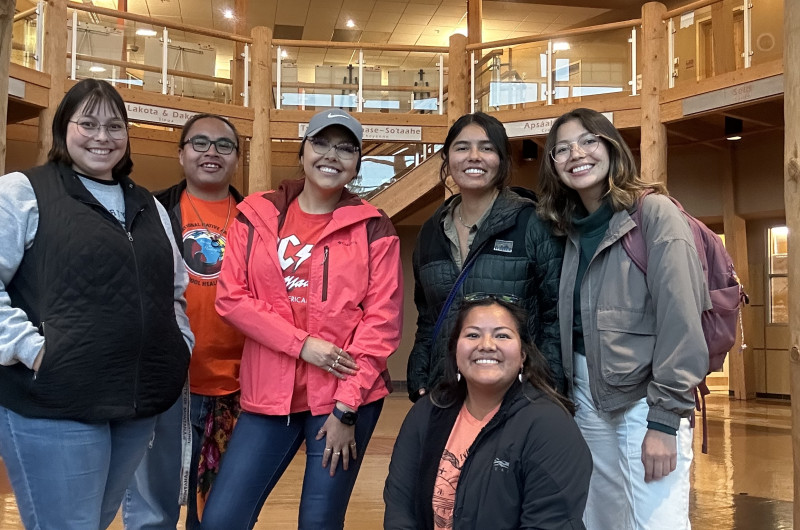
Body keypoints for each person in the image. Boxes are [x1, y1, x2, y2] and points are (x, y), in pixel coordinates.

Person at [0, 78, 193, 529]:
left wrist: (178, 345)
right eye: (88, 123)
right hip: (54, 399)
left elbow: (174, 289)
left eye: (114, 126)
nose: (102, 136)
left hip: (137, 402)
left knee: (94, 522)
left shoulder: (148, 205)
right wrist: (35, 351)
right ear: (63, 128)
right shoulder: (23, 192)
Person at [199, 108, 404, 529]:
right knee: (221, 519)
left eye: (345, 148)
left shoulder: (374, 227)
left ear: (357, 164)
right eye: (321, 143)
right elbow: (232, 299)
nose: (331, 155)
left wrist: (347, 409)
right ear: (303, 151)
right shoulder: (255, 214)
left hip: (343, 398)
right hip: (267, 393)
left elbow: (381, 323)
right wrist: (302, 345)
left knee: (319, 521)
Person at [536, 108, 710, 529]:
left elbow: (682, 320)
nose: (577, 154)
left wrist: (665, 419)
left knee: (657, 523)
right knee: (600, 521)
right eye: (562, 149)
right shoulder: (570, 228)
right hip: (586, 399)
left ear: (611, 147)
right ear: (554, 165)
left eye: (588, 141)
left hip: (645, 399)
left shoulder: (654, 213)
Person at [123, 113, 246, 529]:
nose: (212, 152)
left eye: (224, 145)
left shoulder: (258, 220)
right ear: (181, 154)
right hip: (165, 386)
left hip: (236, 388)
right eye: (200, 143)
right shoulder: (148, 212)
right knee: (152, 510)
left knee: (218, 515)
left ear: (237, 158)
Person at [384, 294, 592, 529]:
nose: (486, 345)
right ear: (455, 351)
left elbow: (550, 522)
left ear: (523, 355)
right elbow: (400, 508)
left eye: (502, 335)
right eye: (473, 335)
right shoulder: (427, 412)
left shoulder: (551, 427)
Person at [407, 112, 564, 402]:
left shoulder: (532, 222)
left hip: (519, 393)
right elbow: (428, 318)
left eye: (487, 148)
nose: (474, 156)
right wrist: (419, 376)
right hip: (446, 391)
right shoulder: (431, 231)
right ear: (447, 159)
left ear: (502, 160)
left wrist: (547, 388)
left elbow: (554, 316)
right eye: (462, 147)